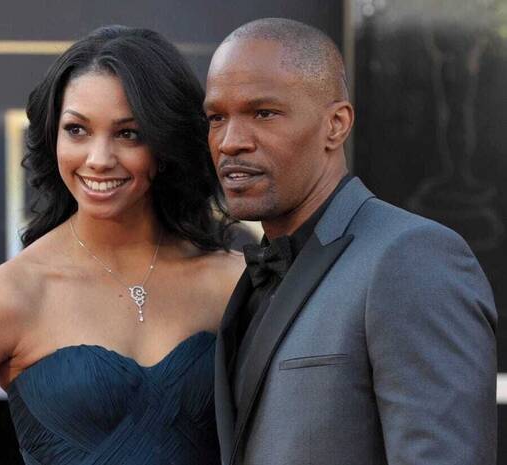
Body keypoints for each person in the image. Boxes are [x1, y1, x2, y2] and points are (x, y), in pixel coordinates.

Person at [0, 25, 244, 465]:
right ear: (52, 135)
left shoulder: (232, 282)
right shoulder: (12, 295)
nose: (98, 158)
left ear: (165, 142)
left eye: (128, 133)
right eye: (77, 130)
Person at [204, 18, 497, 465]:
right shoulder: (256, 276)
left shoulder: (412, 258)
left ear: (336, 124)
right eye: (216, 118)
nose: (230, 142)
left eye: (263, 113)